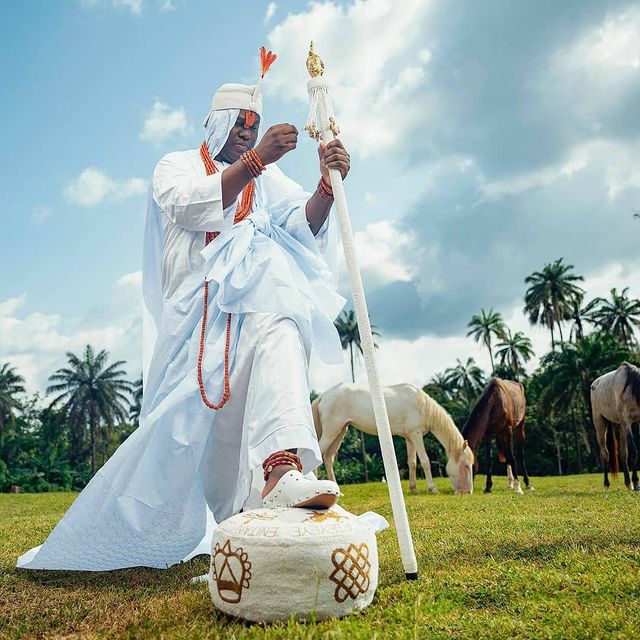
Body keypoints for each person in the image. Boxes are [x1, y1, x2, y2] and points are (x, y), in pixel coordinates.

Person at [17, 53, 350, 572]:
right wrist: (257, 159)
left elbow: (298, 223)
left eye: (255, 126)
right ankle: (148, 529)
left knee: (284, 322)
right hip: (192, 332)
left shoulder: (265, 183)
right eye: (241, 124)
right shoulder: (174, 166)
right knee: (176, 444)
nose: (248, 133)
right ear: (217, 123)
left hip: (252, 313)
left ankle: (281, 468)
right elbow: (191, 205)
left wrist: (327, 187)